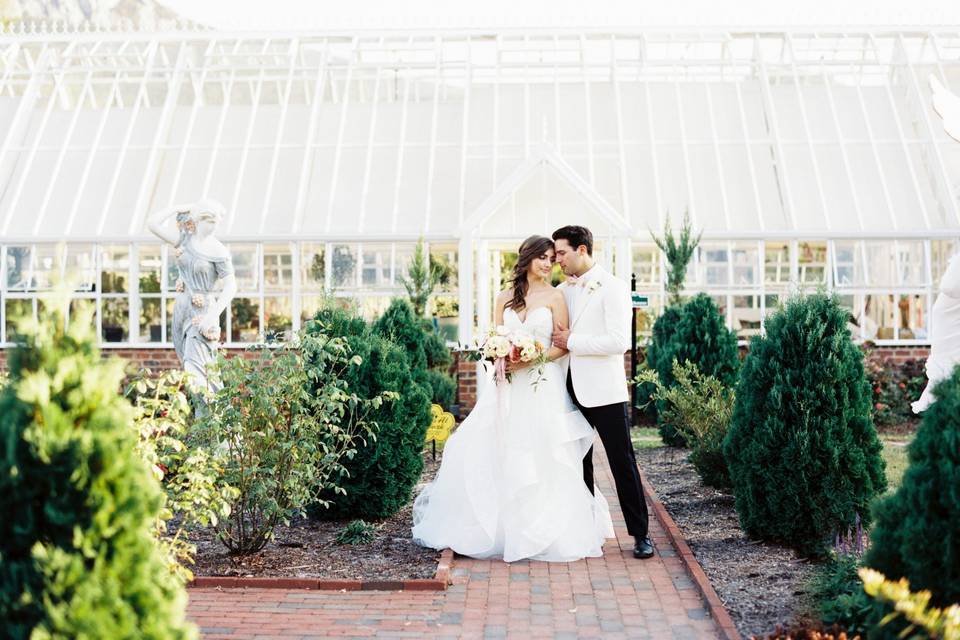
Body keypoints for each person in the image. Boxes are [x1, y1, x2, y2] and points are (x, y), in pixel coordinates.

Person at [412, 235, 613, 562]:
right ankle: (499, 528)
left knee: (541, 452)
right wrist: (501, 357)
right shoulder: (504, 298)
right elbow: (494, 340)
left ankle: (542, 531)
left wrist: (532, 359)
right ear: (527, 258)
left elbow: (562, 345)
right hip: (506, 385)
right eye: (543, 258)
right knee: (497, 448)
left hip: (541, 384)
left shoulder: (556, 296)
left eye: (552, 258)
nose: (549, 264)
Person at [551, 225, 654, 560]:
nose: (557, 260)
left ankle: (641, 535)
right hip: (569, 389)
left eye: (562, 253)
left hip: (606, 392)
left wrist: (573, 342)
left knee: (622, 461)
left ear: (582, 250)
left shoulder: (613, 288)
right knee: (578, 462)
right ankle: (585, 530)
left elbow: (618, 342)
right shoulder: (561, 290)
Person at [147, 199, 236, 394]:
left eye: (215, 222)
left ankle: (215, 418)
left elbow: (231, 286)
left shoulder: (218, 250)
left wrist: (212, 316)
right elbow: (152, 223)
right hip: (182, 309)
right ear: (196, 220)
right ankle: (202, 418)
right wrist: (178, 208)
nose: (212, 227)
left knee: (197, 369)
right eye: (208, 221)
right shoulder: (184, 240)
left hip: (202, 313)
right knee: (189, 367)